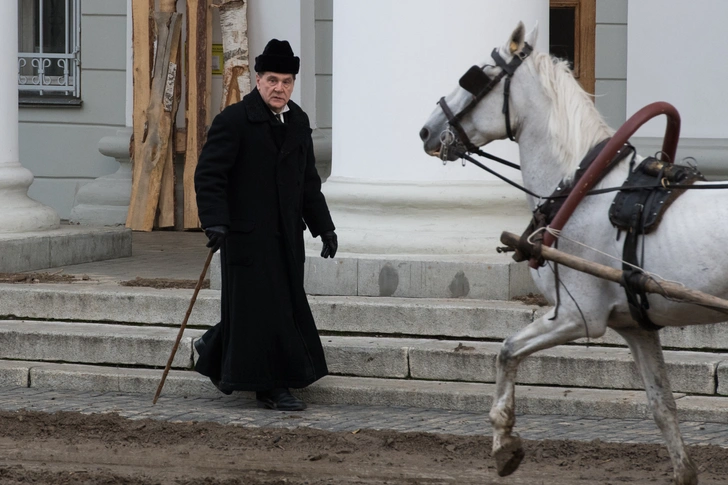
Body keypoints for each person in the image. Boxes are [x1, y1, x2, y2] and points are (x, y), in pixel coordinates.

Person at [193, 39, 338, 411]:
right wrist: (216, 223)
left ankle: (210, 350)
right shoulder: (234, 121)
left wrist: (324, 227)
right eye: (272, 80)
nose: (279, 88)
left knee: (272, 307)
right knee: (260, 310)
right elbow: (210, 176)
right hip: (245, 237)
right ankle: (271, 387)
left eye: (287, 81)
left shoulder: (299, 121)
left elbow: (308, 181)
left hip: (287, 237)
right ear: (257, 80)